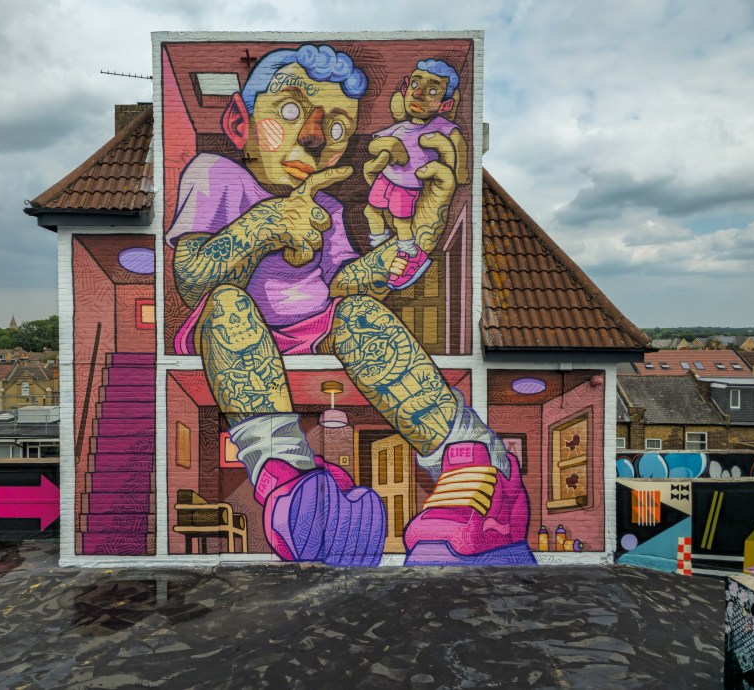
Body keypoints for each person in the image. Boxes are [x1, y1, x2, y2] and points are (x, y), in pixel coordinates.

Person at [166, 43, 534, 566]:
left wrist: (407, 246)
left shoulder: (329, 207)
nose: (315, 137)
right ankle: (288, 479)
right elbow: (191, 279)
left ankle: (475, 460)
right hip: (238, 336)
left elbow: (346, 284)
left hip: (316, 327)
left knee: (361, 313)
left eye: (337, 127)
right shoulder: (216, 175)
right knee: (227, 305)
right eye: (290, 111)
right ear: (239, 122)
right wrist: (265, 224)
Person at [363, 59, 470, 289]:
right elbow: (373, 144)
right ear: (405, 89)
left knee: (402, 222)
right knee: (370, 211)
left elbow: (458, 142)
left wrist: (461, 173)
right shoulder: (400, 127)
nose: (418, 94)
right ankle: (380, 245)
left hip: (407, 185)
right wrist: (389, 146)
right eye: (414, 84)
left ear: (445, 104)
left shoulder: (439, 126)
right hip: (385, 178)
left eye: (432, 91)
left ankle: (408, 252)